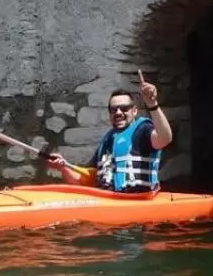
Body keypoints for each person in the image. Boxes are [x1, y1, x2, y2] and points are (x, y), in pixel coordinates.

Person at [44, 70, 174, 193]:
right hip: (110, 201)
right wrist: (63, 167)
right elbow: (82, 182)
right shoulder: (107, 141)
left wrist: (152, 104)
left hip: (138, 201)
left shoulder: (143, 130)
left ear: (134, 111)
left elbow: (165, 138)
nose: (118, 112)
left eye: (124, 108)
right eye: (113, 109)